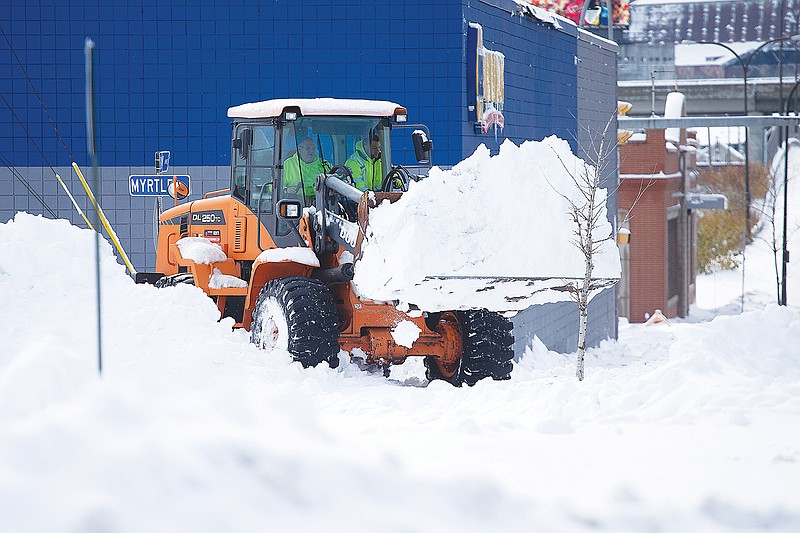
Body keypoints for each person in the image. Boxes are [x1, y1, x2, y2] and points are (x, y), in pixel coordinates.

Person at [282, 137, 329, 203]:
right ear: (299, 149)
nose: (311, 151)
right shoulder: (288, 164)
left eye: (313, 148)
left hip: (321, 202)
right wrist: (286, 190)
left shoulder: (325, 165)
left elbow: (336, 182)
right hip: (294, 204)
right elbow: (273, 186)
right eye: (308, 148)